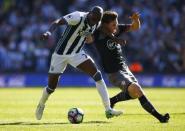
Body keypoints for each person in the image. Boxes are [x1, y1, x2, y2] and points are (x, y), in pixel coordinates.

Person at [35, 6, 123, 120]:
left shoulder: (97, 22)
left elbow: (103, 30)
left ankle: (108, 110)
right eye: (93, 20)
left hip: (76, 54)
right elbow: (57, 21)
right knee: (51, 87)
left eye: (96, 21)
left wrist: (114, 38)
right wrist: (48, 32)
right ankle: (41, 104)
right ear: (90, 13)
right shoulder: (78, 16)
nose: (93, 23)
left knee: (97, 75)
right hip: (60, 55)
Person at [86, 11, 170, 123]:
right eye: (113, 25)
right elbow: (88, 39)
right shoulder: (97, 34)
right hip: (114, 73)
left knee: (134, 94)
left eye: (116, 23)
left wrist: (135, 20)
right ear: (105, 24)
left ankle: (113, 100)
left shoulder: (117, 29)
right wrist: (90, 28)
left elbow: (134, 27)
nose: (116, 27)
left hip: (125, 69)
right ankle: (160, 117)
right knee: (137, 89)